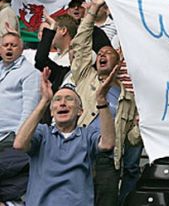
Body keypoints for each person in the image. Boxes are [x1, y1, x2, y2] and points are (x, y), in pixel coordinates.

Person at [70, 0, 139, 206]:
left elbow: (132, 140)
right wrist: (92, 10)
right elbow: (81, 43)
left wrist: (139, 126)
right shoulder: (85, 76)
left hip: (108, 161)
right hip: (77, 154)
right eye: (99, 53)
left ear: (118, 63)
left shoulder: (128, 99)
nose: (101, 54)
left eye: (107, 52)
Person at [13, 67, 116, 206]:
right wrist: (44, 100)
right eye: (57, 100)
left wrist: (101, 100)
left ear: (80, 111)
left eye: (69, 99)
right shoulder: (43, 133)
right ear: (51, 112)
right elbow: (19, 144)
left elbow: (108, 143)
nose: (62, 103)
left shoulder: (87, 134)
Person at [0, 30, 41, 205]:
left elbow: (30, 109)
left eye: (13, 45)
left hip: (12, 138)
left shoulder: (30, 73)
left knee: (10, 187)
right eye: (5, 45)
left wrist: (20, 137)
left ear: (21, 48)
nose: (9, 48)